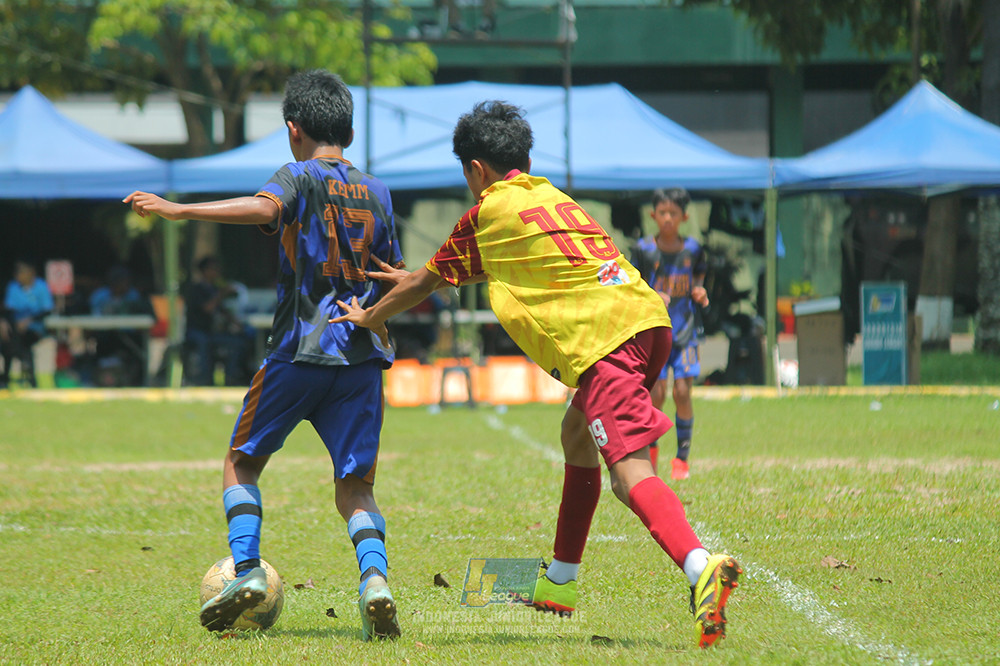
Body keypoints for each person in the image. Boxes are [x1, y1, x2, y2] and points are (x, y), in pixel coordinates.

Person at [332, 101, 741, 648]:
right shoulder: (549, 197)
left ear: (476, 170)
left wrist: (369, 316)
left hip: (608, 343)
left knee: (628, 474)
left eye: (466, 176)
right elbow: (462, 269)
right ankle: (560, 585)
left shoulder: (487, 212)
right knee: (575, 434)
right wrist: (417, 276)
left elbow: (428, 284)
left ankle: (700, 567)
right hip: (647, 321)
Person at [124, 69, 405, 640]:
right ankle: (374, 582)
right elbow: (394, 276)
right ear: (347, 128)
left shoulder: (296, 176)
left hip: (298, 352)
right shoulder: (377, 191)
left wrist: (179, 211)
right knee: (356, 486)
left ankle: (247, 571)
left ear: (293, 128)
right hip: (360, 359)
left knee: (241, 462)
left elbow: (262, 208)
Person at [630, 188, 709, 480]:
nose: (667, 218)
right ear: (653, 215)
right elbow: (632, 284)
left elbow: (698, 278)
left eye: (673, 213)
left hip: (685, 333)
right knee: (656, 395)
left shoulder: (693, 249)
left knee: (683, 392)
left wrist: (700, 291)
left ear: (684, 217)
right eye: (662, 213)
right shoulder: (644, 250)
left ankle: (682, 460)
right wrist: (651, 295)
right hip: (655, 333)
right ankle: (651, 460)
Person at [183, 256, 253, 386]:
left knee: (238, 342)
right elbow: (208, 308)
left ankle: (232, 377)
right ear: (204, 271)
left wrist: (238, 324)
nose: (217, 272)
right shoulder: (196, 289)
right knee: (203, 343)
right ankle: (204, 379)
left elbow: (223, 311)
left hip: (212, 333)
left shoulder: (214, 289)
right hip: (196, 331)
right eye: (213, 269)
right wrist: (222, 293)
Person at [88, 264, 155, 386]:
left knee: (137, 348)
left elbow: (148, 317)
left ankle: (137, 380)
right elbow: (94, 316)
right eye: (119, 281)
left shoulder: (135, 296)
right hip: (106, 335)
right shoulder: (100, 296)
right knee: (100, 344)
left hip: (130, 335)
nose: (122, 285)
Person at [1, 260, 54, 388]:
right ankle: (27, 373)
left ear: (31, 273)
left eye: (21, 273)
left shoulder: (41, 286)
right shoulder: (13, 287)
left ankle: (7, 377)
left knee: (14, 343)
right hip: (15, 328)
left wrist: (28, 320)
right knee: (7, 339)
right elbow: (9, 311)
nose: (18, 276)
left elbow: (47, 310)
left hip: (35, 328)